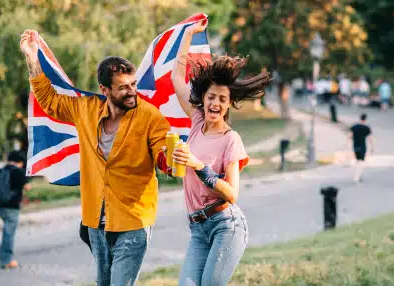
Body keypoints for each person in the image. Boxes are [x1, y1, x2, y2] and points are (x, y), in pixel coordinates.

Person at [20, 30, 170, 285]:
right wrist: (32, 58)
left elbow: (161, 152)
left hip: (133, 220)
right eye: (123, 87)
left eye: (133, 84)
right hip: (96, 220)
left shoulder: (149, 116)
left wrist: (169, 160)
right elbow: (49, 100)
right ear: (104, 89)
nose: (132, 91)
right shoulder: (86, 110)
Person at [170, 20, 271, 285]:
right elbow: (176, 78)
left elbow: (232, 192)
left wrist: (198, 165)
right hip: (197, 227)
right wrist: (188, 35)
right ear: (203, 98)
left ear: (228, 105)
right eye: (211, 97)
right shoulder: (196, 122)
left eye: (222, 99)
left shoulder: (231, 140)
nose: (215, 103)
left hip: (225, 225)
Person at [0, 150, 31, 269]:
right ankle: (6, 260)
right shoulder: (18, 172)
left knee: (6, 232)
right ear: (20, 162)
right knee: (9, 233)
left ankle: (2, 254)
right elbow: (28, 187)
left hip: (0, 207)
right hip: (11, 208)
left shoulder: (1, 170)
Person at [348, 113, 373, 183]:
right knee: (361, 161)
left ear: (360, 118)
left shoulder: (354, 126)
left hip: (355, 145)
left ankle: (359, 175)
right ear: (365, 119)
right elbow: (370, 139)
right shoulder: (366, 128)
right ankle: (357, 176)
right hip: (362, 146)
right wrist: (372, 147)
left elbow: (349, 136)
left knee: (357, 160)